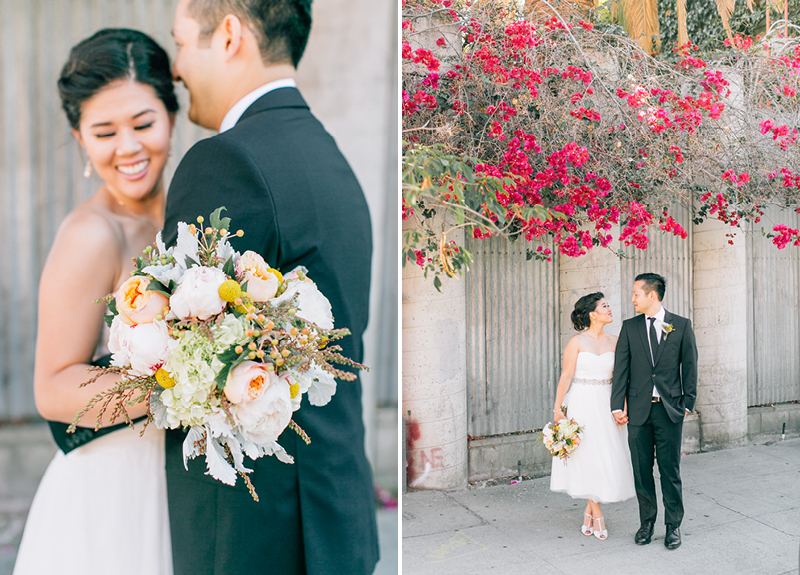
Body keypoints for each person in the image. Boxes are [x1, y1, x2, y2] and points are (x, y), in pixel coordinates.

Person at [162, 1, 379, 573]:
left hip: (255, 529)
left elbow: (181, 358)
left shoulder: (225, 161)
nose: (177, 67)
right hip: (335, 516)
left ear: (229, 35)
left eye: (181, 43)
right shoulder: (328, 158)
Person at [13, 29, 178, 574]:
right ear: (80, 137)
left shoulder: (186, 216)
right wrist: (182, 382)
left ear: (172, 116)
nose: (128, 148)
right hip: (112, 487)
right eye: (104, 131)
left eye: (143, 124)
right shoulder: (91, 234)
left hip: (176, 479)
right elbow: (53, 387)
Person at [611, 272, 698, 550]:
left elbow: (690, 365)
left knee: (670, 470)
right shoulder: (629, 327)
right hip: (638, 410)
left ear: (652, 295)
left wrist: (687, 401)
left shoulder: (681, 325)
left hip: (669, 410)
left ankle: (673, 526)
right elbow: (621, 369)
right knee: (641, 470)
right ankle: (646, 522)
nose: (632, 298)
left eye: (636, 293)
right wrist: (616, 404)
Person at [550, 293, 636, 540]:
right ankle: (596, 513)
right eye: (605, 306)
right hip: (581, 402)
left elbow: (622, 379)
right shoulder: (576, 342)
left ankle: (588, 512)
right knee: (586, 455)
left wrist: (624, 407)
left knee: (605, 455)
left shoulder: (616, 341)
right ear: (592, 314)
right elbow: (566, 376)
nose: (610, 309)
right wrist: (558, 410)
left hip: (607, 402)